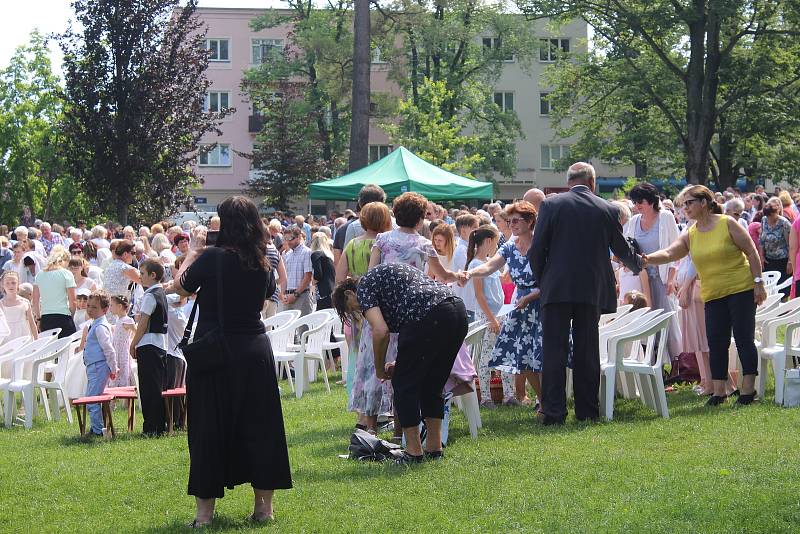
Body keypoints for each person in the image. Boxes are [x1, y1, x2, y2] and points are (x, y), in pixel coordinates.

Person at [167, 195, 291, 526]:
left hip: (215, 353)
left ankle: (204, 515)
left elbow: (179, 287)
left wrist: (192, 250)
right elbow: (267, 296)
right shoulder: (262, 259)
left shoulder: (211, 258)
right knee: (261, 427)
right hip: (254, 349)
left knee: (208, 428)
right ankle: (264, 509)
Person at [529, 162, 641, 424]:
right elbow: (621, 248)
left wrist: (543, 281)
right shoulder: (607, 208)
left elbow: (537, 250)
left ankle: (554, 411)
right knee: (587, 350)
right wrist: (638, 264)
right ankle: (587, 410)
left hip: (556, 288)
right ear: (593, 181)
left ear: (568, 181)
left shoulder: (550, 205)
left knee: (553, 351)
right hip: (591, 288)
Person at [332, 262, 468, 464]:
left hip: (428, 315)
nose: (358, 311)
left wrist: (379, 369)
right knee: (433, 384)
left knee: (403, 385)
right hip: (455, 311)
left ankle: (413, 452)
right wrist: (402, 361)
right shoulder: (384, 278)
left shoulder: (364, 288)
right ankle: (434, 449)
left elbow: (381, 331)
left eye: (351, 309)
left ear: (349, 295)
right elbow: (417, 336)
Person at [643, 185, 766, 406]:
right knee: (715, 342)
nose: (685, 208)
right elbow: (671, 253)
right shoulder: (691, 234)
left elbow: (751, 251)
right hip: (713, 294)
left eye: (689, 203)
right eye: (683, 204)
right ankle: (719, 392)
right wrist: (646, 259)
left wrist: (758, 283)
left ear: (704, 202)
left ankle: (748, 390)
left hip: (741, 289)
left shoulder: (727, 223)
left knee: (743, 338)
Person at [462, 202, 543, 407]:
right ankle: (544, 399)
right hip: (520, 308)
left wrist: (530, 297)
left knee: (542, 357)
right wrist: (470, 273)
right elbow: (489, 266)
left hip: (542, 306)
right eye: (509, 221)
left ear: (530, 221)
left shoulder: (542, 245)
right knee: (522, 358)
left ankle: (548, 400)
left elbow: (553, 281)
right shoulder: (508, 247)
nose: (511, 224)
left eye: (516, 220)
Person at [335, 202, 392, 395]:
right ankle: (382, 398)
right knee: (383, 353)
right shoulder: (385, 243)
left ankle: (360, 398)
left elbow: (339, 278)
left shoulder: (352, 244)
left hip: (358, 307)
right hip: (383, 307)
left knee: (359, 355)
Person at [626, 182, 681, 362]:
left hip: (661, 279)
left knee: (668, 322)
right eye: (634, 202)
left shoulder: (665, 217)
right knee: (646, 322)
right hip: (641, 281)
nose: (636, 206)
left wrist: (671, 280)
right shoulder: (634, 222)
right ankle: (651, 360)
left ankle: (677, 363)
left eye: (639, 201)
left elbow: (675, 250)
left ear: (650, 200)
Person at [461, 225, 515, 407]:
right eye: (496, 240)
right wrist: (491, 318)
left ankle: (509, 394)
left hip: (500, 315)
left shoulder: (490, 261)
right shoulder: (476, 264)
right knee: (486, 357)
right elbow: (480, 295)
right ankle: (485, 396)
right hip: (488, 317)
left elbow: (503, 280)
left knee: (505, 354)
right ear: (489, 241)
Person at [130, 258, 168, 436]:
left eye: (143, 274)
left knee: (149, 388)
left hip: (149, 344)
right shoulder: (161, 293)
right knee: (156, 386)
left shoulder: (150, 295)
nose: (140, 276)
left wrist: (133, 343)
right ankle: (159, 424)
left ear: (153, 275)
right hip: (160, 344)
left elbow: (143, 323)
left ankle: (152, 426)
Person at [80, 291, 118, 438]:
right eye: (88, 306)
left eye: (94, 307)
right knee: (92, 398)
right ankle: (97, 428)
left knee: (92, 399)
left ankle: (97, 431)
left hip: (98, 366)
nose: (89, 309)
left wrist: (113, 367)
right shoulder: (94, 324)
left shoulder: (100, 327)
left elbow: (109, 349)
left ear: (105, 310)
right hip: (93, 366)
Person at [333, 184, 387, 264]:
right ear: (383, 202)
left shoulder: (353, 227)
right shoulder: (396, 224)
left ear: (360, 204)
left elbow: (345, 263)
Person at [32, 247, 77, 338]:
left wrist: (39, 318)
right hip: (63, 317)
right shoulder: (66, 274)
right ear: (65, 260)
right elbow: (73, 301)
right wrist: (71, 315)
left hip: (46, 318)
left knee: (49, 350)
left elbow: (35, 301)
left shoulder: (39, 275)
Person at [758, 196, 791, 297]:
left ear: (776, 213)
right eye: (767, 216)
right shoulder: (764, 220)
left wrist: (790, 262)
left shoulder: (784, 223)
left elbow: (791, 244)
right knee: (769, 289)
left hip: (782, 261)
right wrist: (761, 256)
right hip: (768, 260)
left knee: (782, 290)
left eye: (771, 216)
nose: (769, 218)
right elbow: (761, 240)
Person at [281, 226, 314, 316]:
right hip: (288, 296)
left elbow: (308, 277)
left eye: (290, 238)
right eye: (285, 239)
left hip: (302, 295)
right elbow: (284, 277)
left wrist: (295, 294)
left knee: (303, 329)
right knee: (287, 329)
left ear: (299, 237)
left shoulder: (307, 252)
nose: (288, 241)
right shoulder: (287, 254)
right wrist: (283, 293)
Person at [0, 271, 38, 341]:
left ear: (18, 284)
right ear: (2, 285)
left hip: (24, 338)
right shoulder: (1, 304)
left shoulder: (24, 302)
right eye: (7, 283)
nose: (10, 286)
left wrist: (36, 340)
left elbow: (32, 323)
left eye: (13, 283)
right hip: (8, 341)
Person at [109, 295, 135, 387]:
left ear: (119, 306)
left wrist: (131, 342)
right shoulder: (119, 320)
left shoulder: (127, 320)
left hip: (123, 351)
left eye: (111, 305)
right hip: (117, 350)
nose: (110, 308)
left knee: (123, 370)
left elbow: (135, 332)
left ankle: (124, 393)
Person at [310, 232, 336, 310]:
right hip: (331, 288)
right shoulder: (328, 255)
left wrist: (313, 281)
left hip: (323, 290)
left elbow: (318, 274)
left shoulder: (316, 254)